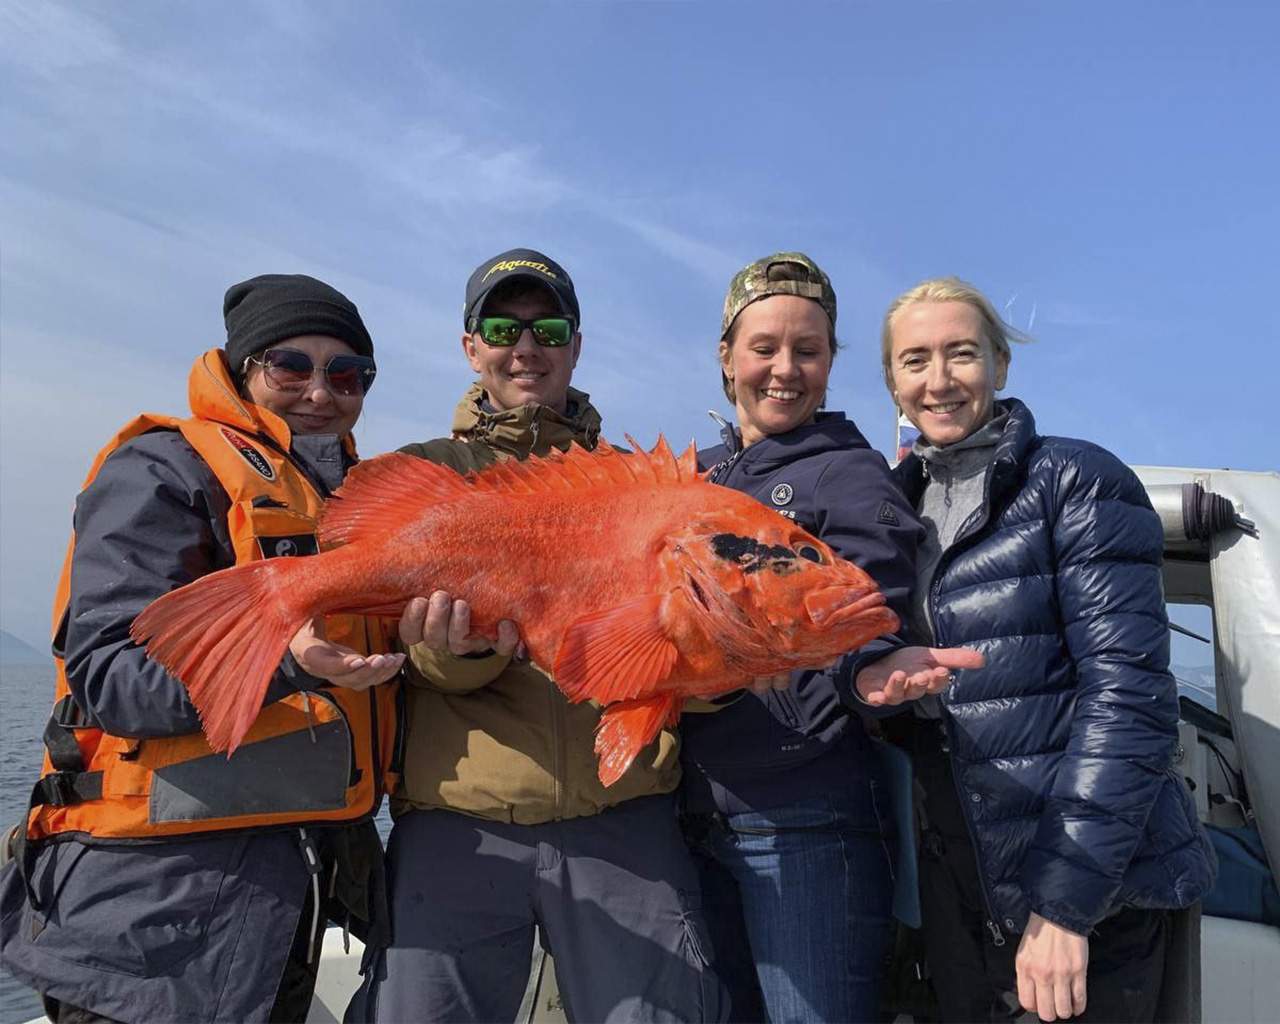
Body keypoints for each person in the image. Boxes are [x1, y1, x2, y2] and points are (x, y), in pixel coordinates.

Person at [0, 274, 406, 1023]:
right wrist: (284, 660)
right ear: (244, 367)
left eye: (347, 373)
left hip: (285, 899)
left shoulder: (358, 502)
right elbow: (108, 676)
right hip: (148, 914)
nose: (320, 391)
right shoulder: (163, 470)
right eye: (292, 366)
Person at [346, 248, 724, 1024]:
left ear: (576, 345)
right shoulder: (431, 471)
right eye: (502, 326)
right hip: (461, 826)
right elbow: (401, 655)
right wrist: (452, 653)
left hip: (625, 818)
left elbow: (672, 653)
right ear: (470, 345)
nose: (527, 347)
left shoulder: (638, 487)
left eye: (549, 327)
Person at [878, 276, 1216, 1023]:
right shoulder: (890, 514)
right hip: (961, 898)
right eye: (914, 361)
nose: (938, 381)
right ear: (892, 383)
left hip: (1089, 898)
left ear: (1001, 364)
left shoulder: (1075, 481)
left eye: (960, 354)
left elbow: (1129, 701)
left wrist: (1064, 909)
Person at [677, 252, 978, 1024]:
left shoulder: (849, 474)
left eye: (807, 351)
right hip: (689, 819)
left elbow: (864, 612)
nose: (785, 370)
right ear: (725, 357)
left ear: (831, 363)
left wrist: (863, 674)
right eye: (764, 348)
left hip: (805, 821)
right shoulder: (691, 478)